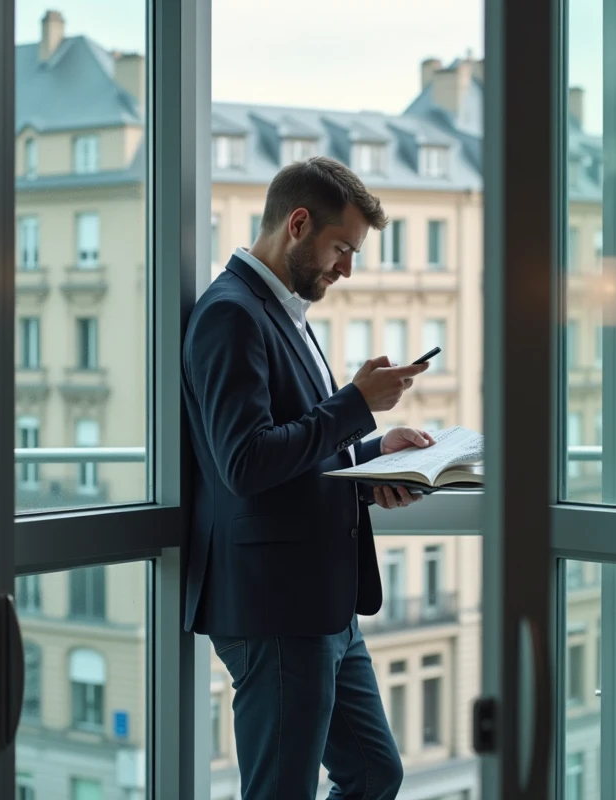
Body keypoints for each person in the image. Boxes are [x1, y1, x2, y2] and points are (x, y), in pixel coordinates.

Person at [182, 156, 430, 799]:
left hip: (323, 603)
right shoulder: (231, 314)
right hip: (277, 609)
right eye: (342, 248)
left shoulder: (281, 310)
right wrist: (355, 405)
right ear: (297, 224)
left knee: (376, 774)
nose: (347, 269)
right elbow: (245, 462)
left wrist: (373, 455)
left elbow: (297, 450)